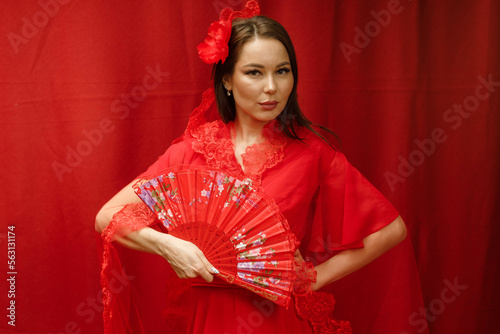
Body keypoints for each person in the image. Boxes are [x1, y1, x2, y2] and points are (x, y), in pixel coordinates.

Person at [95, 1, 407, 333]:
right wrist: (171, 246)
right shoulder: (191, 152)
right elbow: (107, 216)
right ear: (227, 80)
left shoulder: (312, 154)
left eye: (282, 71)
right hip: (207, 317)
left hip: (276, 319)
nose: (271, 87)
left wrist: (313, 279)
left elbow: (390, 229)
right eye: (254, 72)